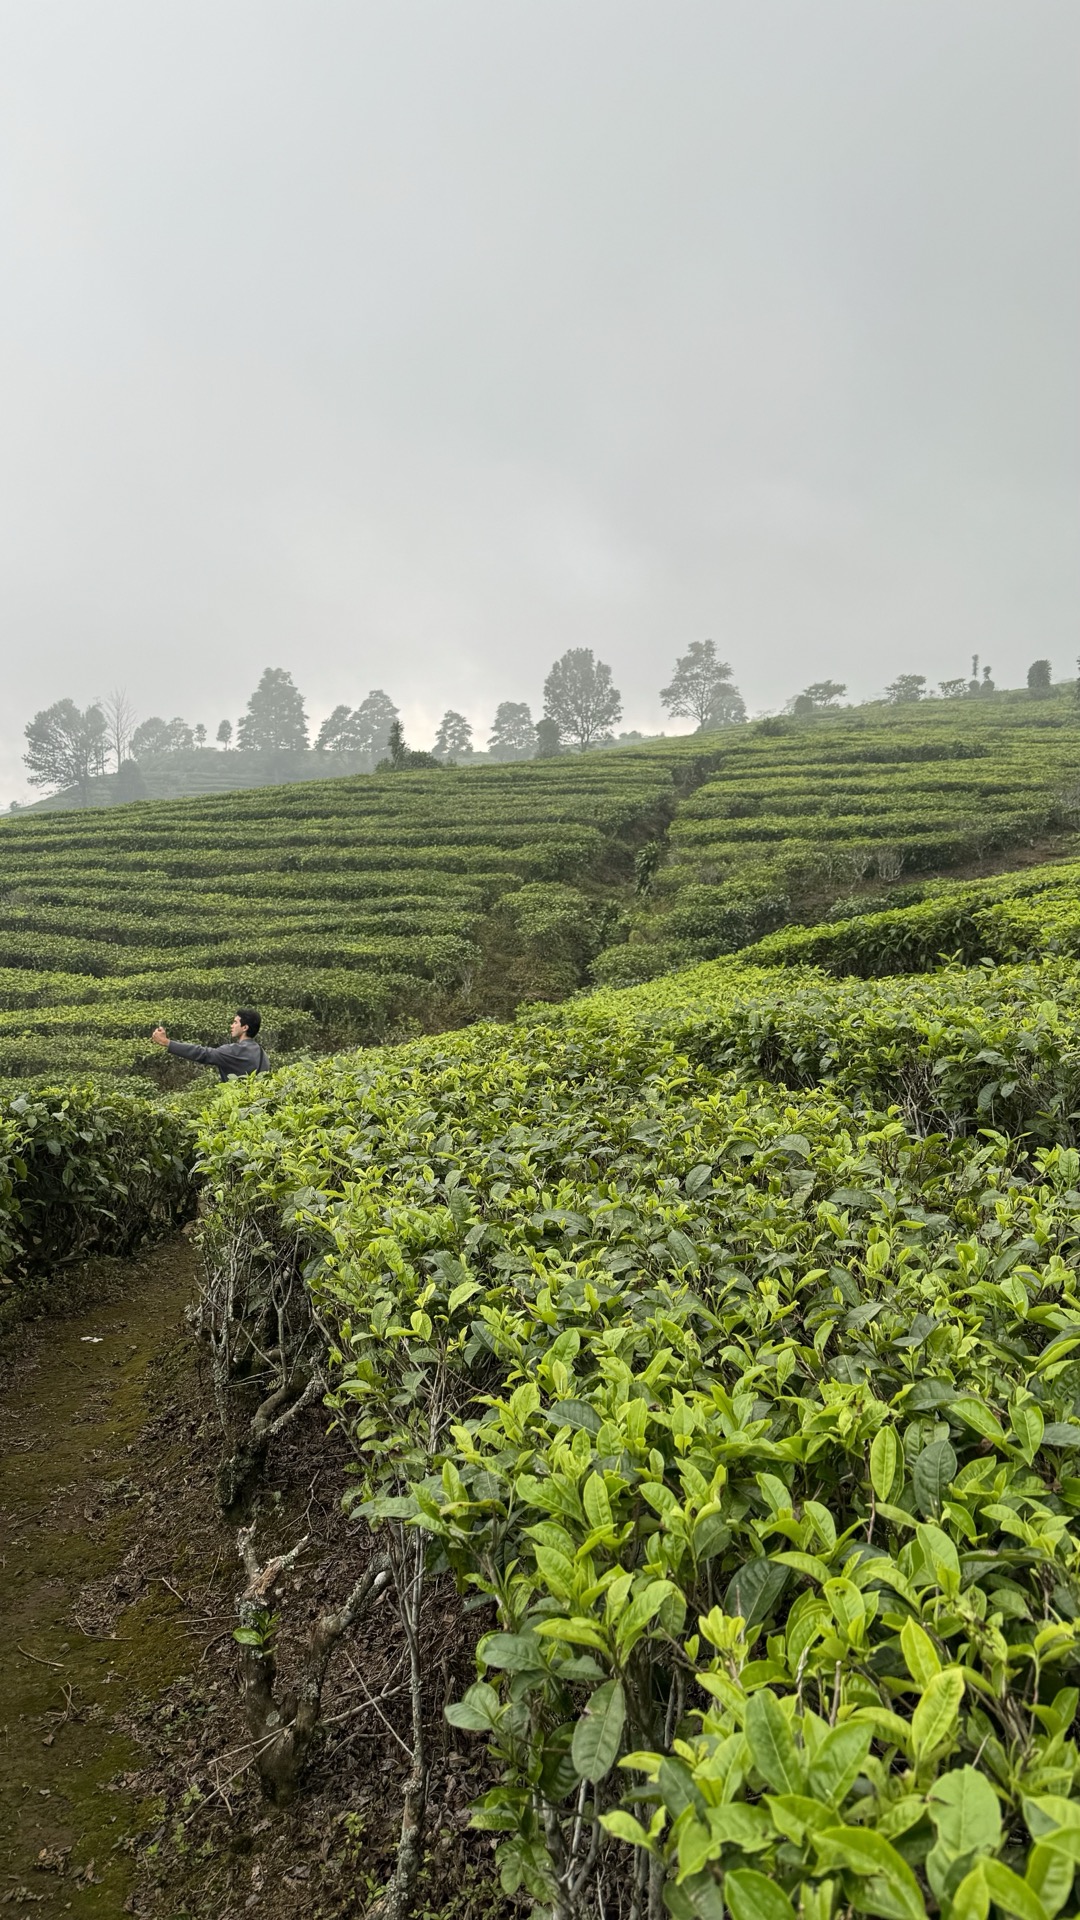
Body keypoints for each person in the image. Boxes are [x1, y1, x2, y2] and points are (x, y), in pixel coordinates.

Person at [151, 1007, 271, 1080]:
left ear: (245, 1027)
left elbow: (202, 1053)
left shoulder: (234, 1051)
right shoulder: (261, 1052)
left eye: (235, 1022)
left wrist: (167, 1042)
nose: (231, 1025)